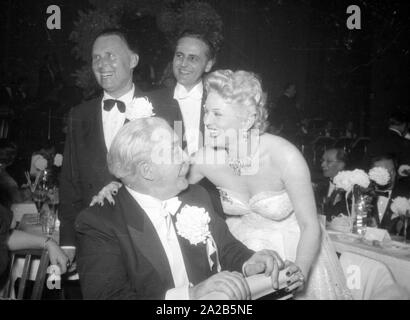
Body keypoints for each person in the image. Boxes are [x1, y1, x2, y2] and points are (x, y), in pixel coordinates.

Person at [76, 117, 303, 299]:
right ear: (147, 171)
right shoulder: (99, 224)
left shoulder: (196, 196)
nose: (187, 158)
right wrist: (190, 296)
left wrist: (249, 263)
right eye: (175, 151)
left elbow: (226, 246)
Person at [188, 70, 352, 299]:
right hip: (243, 252)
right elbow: (170, 192)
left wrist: (301, 270)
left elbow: (310, 225)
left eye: (217, 114)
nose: (206, 122)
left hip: (297, 250)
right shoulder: (204, 159)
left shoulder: (285, 156)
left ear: (247, 120)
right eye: (206, 111)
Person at [59, 29, 174, 258]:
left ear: (133, 60)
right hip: (95, 238)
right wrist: (68, 243)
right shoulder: (79, 114)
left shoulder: (164, 107)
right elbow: (69, 182)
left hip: (148, 236)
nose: (102, 64)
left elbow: (174, 173)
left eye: (111, 55)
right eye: (96, 58)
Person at [148, 29, 225, 218]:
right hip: (163, 203)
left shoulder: (221, 102)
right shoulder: (150, 103)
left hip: (215, 202)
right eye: (179, 56)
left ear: (208, 65)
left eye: (193, 58)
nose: (183, 64)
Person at [367, 154, 410, 236]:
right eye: (384, 173)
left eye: (392, 171)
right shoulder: (363, 194)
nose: (390, 176)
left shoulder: (406, 198)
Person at [315, 148, 350, 221]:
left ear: (341, 165)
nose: (322, 164)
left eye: (328, 161)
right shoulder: (318, 185)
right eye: (322, 161)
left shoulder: (352, 188)